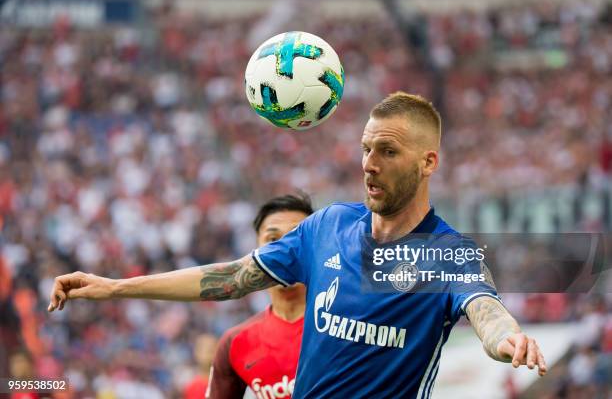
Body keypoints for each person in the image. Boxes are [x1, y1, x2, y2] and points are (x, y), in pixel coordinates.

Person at [49, 92, 547, 397]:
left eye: (388, 150)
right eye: (366, 148)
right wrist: (114, 287)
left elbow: (484, 306)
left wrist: (506, 339)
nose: (369, 163)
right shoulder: (327, 225)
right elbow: (230, 278)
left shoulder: (446, 252)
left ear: (428, 163)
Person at [206, 194, 312, 398]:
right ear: (256, 252)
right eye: (273, 240)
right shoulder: (235, 343)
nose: (285, 251)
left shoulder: (346, 323)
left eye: (297, 237)